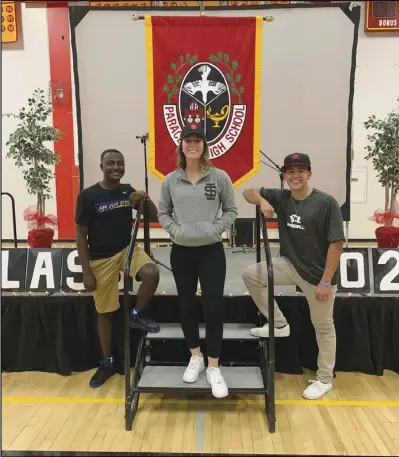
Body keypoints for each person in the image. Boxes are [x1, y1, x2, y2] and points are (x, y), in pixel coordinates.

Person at [242, 153, 345, 400]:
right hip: (290, 265)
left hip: (318, 275)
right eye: (290, 171)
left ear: (309, 173)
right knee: (251, 275)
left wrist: (325, 281)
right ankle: (278, 324)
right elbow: (249, 191)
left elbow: (337, 244)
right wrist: (262, 202)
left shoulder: (325, 202)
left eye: (300, 171)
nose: (295, 176)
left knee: (323, 327)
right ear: (284, 175)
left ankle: (324, 379)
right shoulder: (281, 197)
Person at [158, 126, 238, 399]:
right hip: (181, 251)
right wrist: (175, 230)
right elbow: (162, 212)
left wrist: (216, 230)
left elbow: (231, 210)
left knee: (214, 306)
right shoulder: (170, 180)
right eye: (187, 141)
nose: (192, 145)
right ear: (181, 146)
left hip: (211, 250)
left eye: (197, 141)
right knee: (186, 304)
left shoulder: (220, 177)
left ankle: (214, 366)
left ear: (204, 146)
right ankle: (195, 356)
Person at [76, 148, 160, 389]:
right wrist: (86, 271)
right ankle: (107, 362)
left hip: (127, 250)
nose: (116, 167)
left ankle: (136, 315)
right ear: (102, 166)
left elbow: (153, 216)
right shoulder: (88, 196)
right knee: (105, 312)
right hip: (100, 258)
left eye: (119, 163)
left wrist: (143, 197)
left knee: (151, 274)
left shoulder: (127, 190)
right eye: (110, 163)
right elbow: (81, 235)